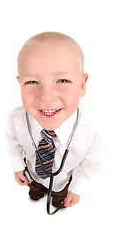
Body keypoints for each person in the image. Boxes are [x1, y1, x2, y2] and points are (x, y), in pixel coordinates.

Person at [6, 31, 101, 209]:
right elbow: (12, 144)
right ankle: (36, 192)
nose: (47, 97)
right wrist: (18, 167)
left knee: (60, 196)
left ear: (82, 85)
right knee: (34, 187)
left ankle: (58, 199)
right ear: (20, 85)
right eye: (32, 82)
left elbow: (91, 165)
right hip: (32, 175)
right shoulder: (15, 120)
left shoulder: (91, 133)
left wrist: (76, 189)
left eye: (62, 80)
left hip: (62, 182)